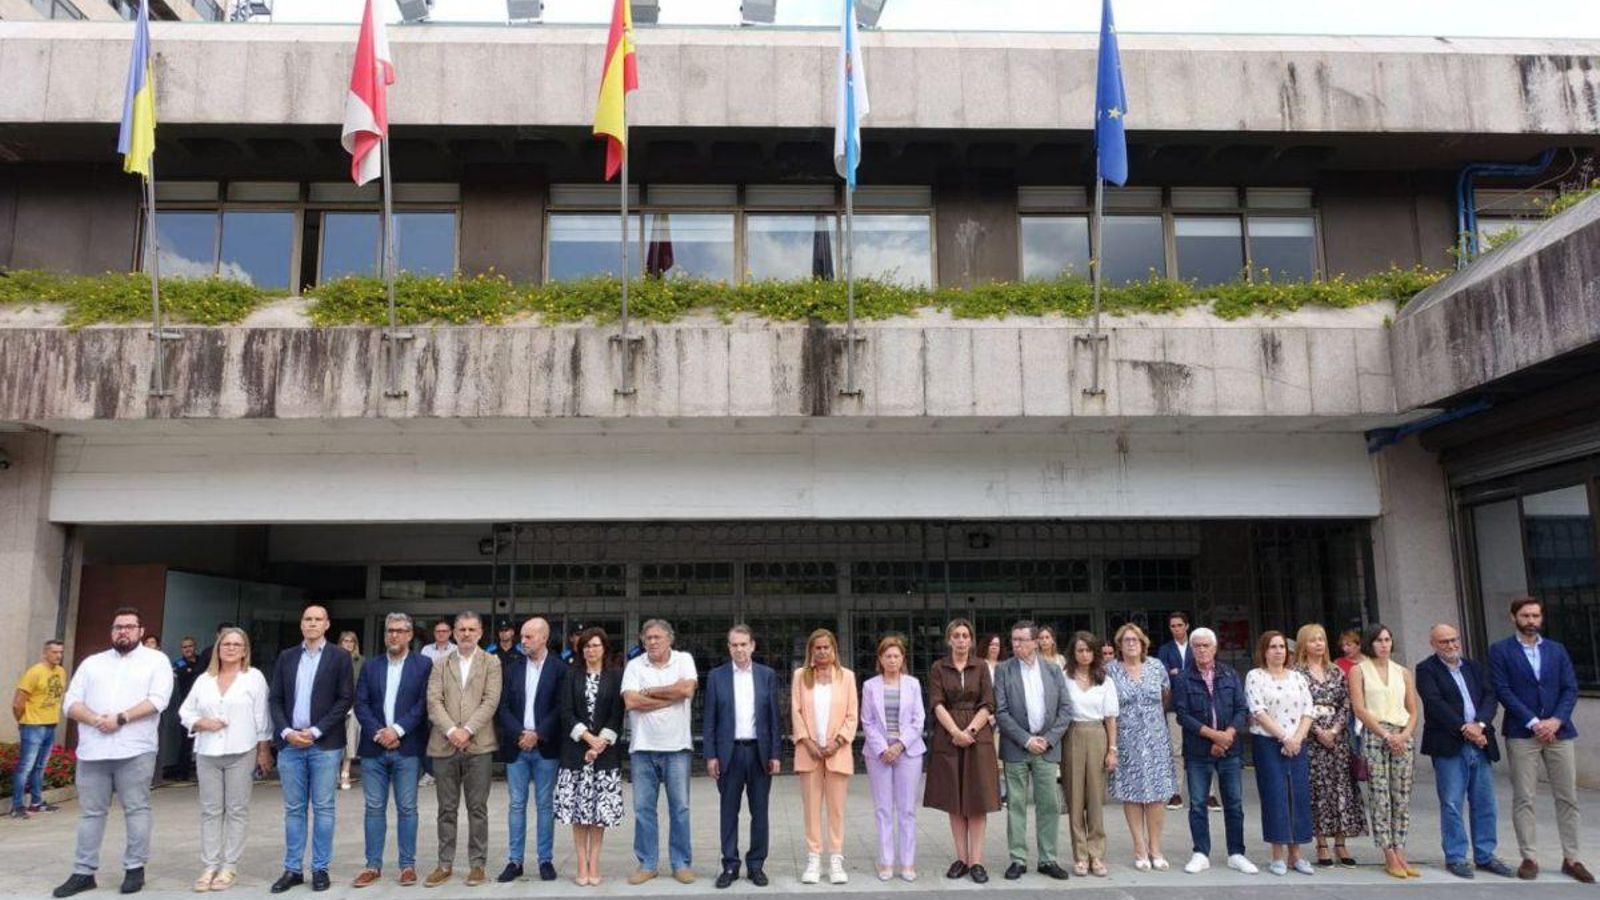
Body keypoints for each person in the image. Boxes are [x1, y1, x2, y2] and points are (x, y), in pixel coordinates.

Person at [51, 609, 174, 899]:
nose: (124, 632)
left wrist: (121, 718)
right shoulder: (93, 663)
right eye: (119, 627)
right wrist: (95, 719)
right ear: (112, 631)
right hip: (93, 750)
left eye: (130, 627)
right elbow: (70, 703)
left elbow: (158, 700)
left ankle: (134, 869)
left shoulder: (157, 661)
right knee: (91, 813)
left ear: (141, 631)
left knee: (136, 809)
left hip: (135, 748)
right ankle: (83, 872)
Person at [1488, 597, 1591, 883]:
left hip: (1560, 732)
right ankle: (1529, 856)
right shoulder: (1501, 650)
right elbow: (1503, 690)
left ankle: (1572, 858)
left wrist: (1556, 720)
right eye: (1525, 615)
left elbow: (1570, 688)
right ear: (1513, 618)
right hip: (1523, 733)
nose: (1531, 620)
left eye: (1535, 615)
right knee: (1524, 797)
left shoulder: (1557, 650)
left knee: (1567, 797)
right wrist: (1534, 722)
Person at [266, 604, 355, 894]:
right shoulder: (287, 657)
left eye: (318, 619)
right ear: (301, 624)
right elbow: (275, 699)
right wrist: (287, 732)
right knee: (294, 809)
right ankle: (293, 869)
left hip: (324, 744)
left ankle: (320, 868)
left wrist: (315, 731)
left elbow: (344, 700)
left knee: (324, 808)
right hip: (291, 745)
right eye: (307, 619)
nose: (312, 624)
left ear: (327, 624)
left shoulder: (340, 657)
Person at [178, 626, 273, 892]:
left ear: (245, 651)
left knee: (237, 809)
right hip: (208, 751)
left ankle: (229, 866)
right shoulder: (204, 680)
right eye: (226, 644)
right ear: (218, 649)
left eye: (236, 644)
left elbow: (261, 717)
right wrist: (200, 723)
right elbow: (185, 711)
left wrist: (264, 750)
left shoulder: (253, 677)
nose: (230, 648)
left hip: (241, 750)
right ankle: (209, 865)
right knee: (210, 810)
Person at [1416, 622, 1513, 880]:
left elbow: (1490, 697)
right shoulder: (1426, 669)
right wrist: (1464, 728)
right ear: (1434, 644)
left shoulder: (1474, 667)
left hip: (1480, 742)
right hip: (1449, 745)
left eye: (1454, 640)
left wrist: (1479, 725)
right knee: (1451, 802)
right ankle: (1456, 856)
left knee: (1484, 802)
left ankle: (1485, 855)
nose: (1451, 645)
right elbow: (1434, 703)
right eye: (1444, 641)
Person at [351, 612, 432, 889]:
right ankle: (372, 865)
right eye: (389, 631)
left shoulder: (424, 665)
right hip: (374, 748)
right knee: (374, 808)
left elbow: (423, 705)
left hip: (407, 748)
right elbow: (360, 703)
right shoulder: (371, 666)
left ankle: (407, 866)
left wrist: (397, 731)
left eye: (399, 631)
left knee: (407, 808)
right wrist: (380, 733)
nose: (393, 635)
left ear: (410, 635)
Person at [424, 610, 502, 888]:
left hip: (478, 745)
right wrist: (452, 731)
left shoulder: (491, 662)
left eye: (471, 629)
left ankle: (477, 864)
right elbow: (434, 701)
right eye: (461, 630)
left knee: (477, 808)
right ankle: (444, 863)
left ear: (481, 632)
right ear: (454, 633)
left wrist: (467, 731)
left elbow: (490, 700)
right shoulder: (441, 664)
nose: (466, 634)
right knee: (446, 808)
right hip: (444, 745)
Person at [1172, 627, 1257, 876]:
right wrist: (1213, 735)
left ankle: (1236, 853)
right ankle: (1200, 853)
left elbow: (1242, 709)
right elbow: (1182, 715)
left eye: (1205, 645)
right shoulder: (1184, 679)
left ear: (1215, 648)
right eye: (1196, 645)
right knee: (1198, 803)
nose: (1201, 649)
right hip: (1199, 750)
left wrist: (1227, 735)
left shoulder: (1229, 675)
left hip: (1229, 749)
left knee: (1234, 803)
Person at [703, 625, 783, 888]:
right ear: (729, 648)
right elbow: (710, 719)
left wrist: (775, 754)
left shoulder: (767, 675)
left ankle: (756, 865)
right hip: (729, 754)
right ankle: (730, 865)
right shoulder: (717, 676)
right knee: (729, 812)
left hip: (759, 753)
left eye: (743, 644)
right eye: (734, 645)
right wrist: (711, 755)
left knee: (760, 813)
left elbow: (773, 718)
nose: (739, 649)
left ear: (752, 646)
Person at [621, 619, 699, 885]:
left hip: (677, 747)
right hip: (642, 748)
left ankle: (681, 863)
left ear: (670, 639)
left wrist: (650, 693)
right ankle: (648, 863)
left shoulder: (684, 660)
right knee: (643, 810)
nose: (652, 642)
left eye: (657, 637)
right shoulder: (634, 665)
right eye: (647, 638)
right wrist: (670, 697)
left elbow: (687, 689)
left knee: (680, 808)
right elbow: (631, 701)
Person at [993, 621, 1072, 882]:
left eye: (1021, 640)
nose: (1015, 644)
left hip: (1047, 749)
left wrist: (1047, 740)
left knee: (1048, 805)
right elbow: (1001, 711)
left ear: (1036, 642)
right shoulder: (1004, 670)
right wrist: (1027, 740)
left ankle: (1048, 858)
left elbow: (1065, 710)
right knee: (1015, 804)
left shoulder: (1052, 670)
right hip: (1017, 747)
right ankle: (1018, 859)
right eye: (1013, 640)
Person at [925, 618, 1001, 884]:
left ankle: (977, 861)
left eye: (965, 636)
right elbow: (936, 703)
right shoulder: (938, 667)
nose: (960, 640)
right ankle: (962, 859)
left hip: (977, 738)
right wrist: (955, 733)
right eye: (956, 636)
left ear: (971, 640)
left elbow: (988, 703)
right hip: (948, 739)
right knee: (954, 801)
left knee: (977, 800)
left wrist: (969, 732)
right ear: (949, 640)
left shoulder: (980, 666)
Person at [496, 617, 567, 884]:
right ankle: (515, 861)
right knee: (516, 805)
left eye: (528, 637)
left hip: (545, 747)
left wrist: (537, 735)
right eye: (522, 637)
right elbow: (502, 707)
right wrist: (520, 734)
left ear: (544, 638)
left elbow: (561, 708)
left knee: (545, 805)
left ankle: (545, 860)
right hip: (517, 747)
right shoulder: (511, 667)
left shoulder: (559, 669)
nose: (522, 641)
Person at [1348, 623, 1420, 880]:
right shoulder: (1359, 671)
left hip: (1402, 735)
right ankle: (1387, 851)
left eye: (1387, 640)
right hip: (1376, 734)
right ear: (1370, 643)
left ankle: (1401, 848)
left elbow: (1412, 709)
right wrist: (1386, 735)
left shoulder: (1403, 672)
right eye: (1378, 640)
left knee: (1401, 794)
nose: (1384, 645)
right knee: (1380, 795)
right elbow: (1359, 708)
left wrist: (1404, 734)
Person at [554, 627, 625, 887]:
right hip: (576, 753)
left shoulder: (615, 677)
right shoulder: (571, 675)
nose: (590, 650)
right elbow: (566, 712)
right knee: (578, 812)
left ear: (604, 648)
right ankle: (580, 863)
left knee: (598, 813)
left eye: (595, 645)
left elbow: (617, 714)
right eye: (586, 646)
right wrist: (588, 738)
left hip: (604, 756)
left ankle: (595, 861)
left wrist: (600, 742)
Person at [1292, 624, 1365, 868]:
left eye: (1321, 639)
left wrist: (1334, 730)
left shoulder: (1336, 672)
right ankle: (1321, 842)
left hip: (1337, 738)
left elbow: (1347, 703)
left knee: (1341, 787)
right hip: (1311, 737)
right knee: (1318, 790)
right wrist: (1318, 730)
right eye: (1313, 640)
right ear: (1304, 644)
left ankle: (1341, 842)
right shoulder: (1297, 673)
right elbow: (1298, 705)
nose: (1318, 644)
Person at [1106, 623, 1178, 872]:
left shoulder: (1157, 666)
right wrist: (1112, 746)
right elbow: (1108, 709)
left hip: (1156, 739)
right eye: (1125, 640)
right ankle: (1139, 847)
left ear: (1143, 643)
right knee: (1132, 794)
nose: (1130, 644)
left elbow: (1165, 697)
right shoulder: (1110, 670)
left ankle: (1155, 847)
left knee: (1157, 795)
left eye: (1134, 640)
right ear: (1119, 645)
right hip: (1126, 740)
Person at [791, 628, 858, 885]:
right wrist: (807, 742)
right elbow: (795, 711)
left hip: (837, 752)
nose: (821, 652)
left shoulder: (847, 677)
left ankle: (836, 859)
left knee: (836, 809)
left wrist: (837, 741)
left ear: (834, 650)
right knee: (811, 809)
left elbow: (852, 714)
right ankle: (814, 858)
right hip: (809, 752)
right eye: (817, 648)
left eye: (826, 647)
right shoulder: (800, 676)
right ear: (811, 651)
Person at [1245, 631, 1315, 876]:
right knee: (1275, 796)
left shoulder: (1297, 677)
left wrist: (1296, 739)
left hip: (1297, 743)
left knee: (1298, 794)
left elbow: (1308, 709)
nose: (1278, 651)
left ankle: (1297, 854)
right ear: (1264, 651)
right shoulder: (1255, 676)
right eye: (1273, 647)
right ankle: (1277, 854)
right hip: (1269, 743)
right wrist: (1284, 737)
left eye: (1282, 647)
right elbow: (1258, 710)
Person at [860, 634, 926, 883]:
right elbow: (866, 721)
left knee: (907, 810)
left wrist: (899, 745)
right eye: (887, 656)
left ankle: (907, 862)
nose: (892, 660)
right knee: (883, 809)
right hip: (878, 754)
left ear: (902, 659)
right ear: (880, 659)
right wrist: (882, 748)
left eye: (896, 656)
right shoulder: (870, 686)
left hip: (908, 752)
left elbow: (918, 719)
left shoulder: (913, 684)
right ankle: (886, 860)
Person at [1061, 631, 1118, 877]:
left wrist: (1112, 749)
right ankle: (1080, 855)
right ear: (1073, 653)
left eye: (1088, 650)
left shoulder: (1104, 679)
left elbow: (1110, 718)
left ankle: (1096, 854)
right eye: (1079, 650)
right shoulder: (1065, 678)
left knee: (1095, 798)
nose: (1084, 655)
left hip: (1097, 734)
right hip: (1072, 733)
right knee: (1074, 799)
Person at [11, 638, 67, 819]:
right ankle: (17, 806)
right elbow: (18, 702)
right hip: (33, 725)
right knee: (25, 766)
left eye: (60, 652)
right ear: (45, 653)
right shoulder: (34, 672)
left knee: (40, 766)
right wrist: (22, 722)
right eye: (54, 652)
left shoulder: (61, 672)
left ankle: (36, 802)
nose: (58, 655)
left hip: (51, 724)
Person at [1155, 611, 1192, 811]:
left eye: (1179, 625)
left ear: (1187, 626)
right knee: (1176, 750)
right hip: (1174, 706)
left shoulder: (1197, 645)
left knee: (1200, 750)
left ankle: (1209, 794)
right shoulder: (1165, 649)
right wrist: (1180, 673)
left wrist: (1179, 672)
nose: (1176, 629)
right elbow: (1164, 675)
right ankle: (1176, 792)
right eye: (1172, 626)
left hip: (1197, 706)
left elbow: (1201, 670)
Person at [418, 619, 455, 788]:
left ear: (450, 633)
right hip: (429, 697)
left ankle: (449, 773)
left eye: (444, 631)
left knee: (448, 735)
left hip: (450, 699)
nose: (441, 634)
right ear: (434, 634)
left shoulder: (455, 650)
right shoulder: (426, 650)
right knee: (428, 736)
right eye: (438, 631)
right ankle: (429, 772)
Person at [170, 636, 201, 782]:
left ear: (195, 647)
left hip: (203, 704)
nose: (188, 649)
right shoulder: (179, 663)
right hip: (187, 705)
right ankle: (183, 773)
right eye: (184, 647)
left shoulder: (202, 660)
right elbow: (185, 673)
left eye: (190, 646)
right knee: (186, 740)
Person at [338, 631, 364, 791]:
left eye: (351, 641)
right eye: (345, 641)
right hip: (333, 708)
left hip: (353, 706)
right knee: (333, 742)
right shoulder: (332, 659)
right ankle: (333, 773)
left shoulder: (361, 662)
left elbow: (362, 685)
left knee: (350, 740)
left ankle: (345, 773)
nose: (348, 644)